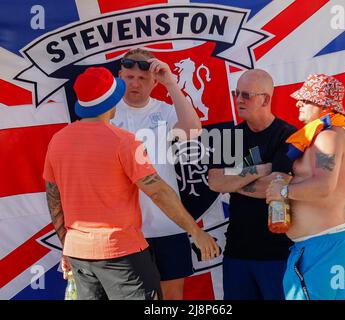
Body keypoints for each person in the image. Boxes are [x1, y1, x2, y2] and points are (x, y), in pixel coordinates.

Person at [43, 67, 219, 300]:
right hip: (121, 251)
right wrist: (195, 231)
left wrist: (67, 244)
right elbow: (158, 192)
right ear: (112, 101)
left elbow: (53, 198)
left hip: (79, 253)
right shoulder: (123, 141)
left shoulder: (58, 140)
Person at [111, 48, 202, 300]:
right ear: (120, 76)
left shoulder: (163, 110)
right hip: (125, 229)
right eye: (129, 77)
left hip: (167, 222)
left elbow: (193, 131)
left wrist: (171, 83)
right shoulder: (107, 113)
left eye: (142, 79)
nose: (135, 84)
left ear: (154, 81)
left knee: (171, 297)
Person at [266, 73, 345, 300]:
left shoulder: (329, 137)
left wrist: (284, 190)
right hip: (315, 247)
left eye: (305, 99)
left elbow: (324, 185)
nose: (298, 102)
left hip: (323, 247)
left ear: (323, 105)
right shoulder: (328, 135)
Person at [208, 69, 296, 300]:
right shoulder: (231, 136)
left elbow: (278, 187)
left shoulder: (288, 136)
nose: (238, 100)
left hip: (278, 252)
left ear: (266, 99)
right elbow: (215, 181)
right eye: (236, 93)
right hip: (237, 250)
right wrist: (261, 169)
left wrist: (234, 181)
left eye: (246, 95)